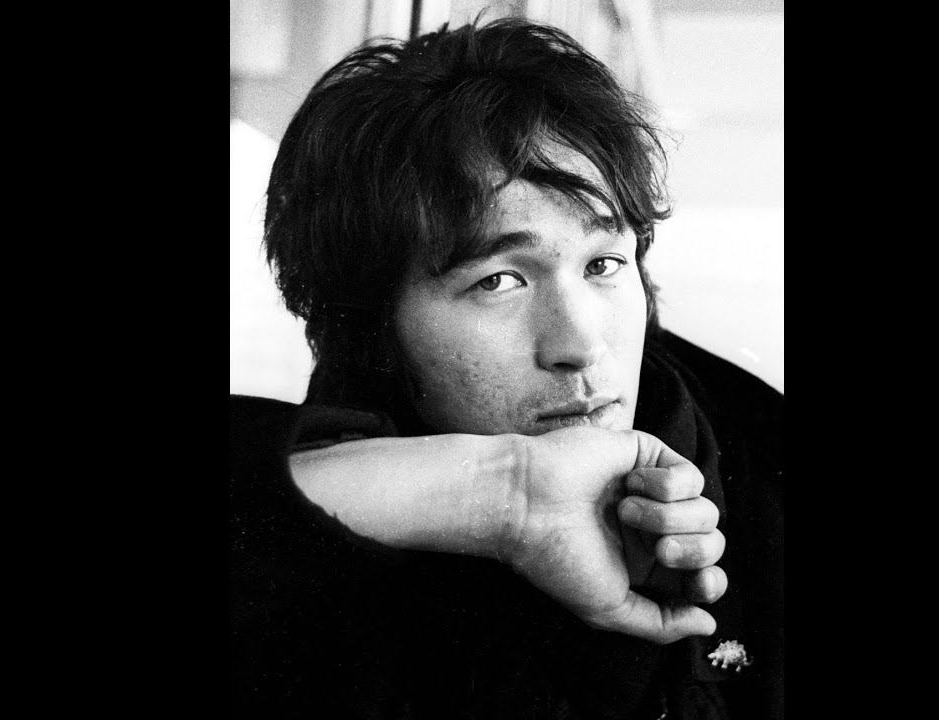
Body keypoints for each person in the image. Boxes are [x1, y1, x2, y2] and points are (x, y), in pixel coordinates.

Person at [230, 17, 784, 720]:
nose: (580, 345)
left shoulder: (763, 465)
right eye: (498, 281)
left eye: (603, 264)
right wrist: (505, 492)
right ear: (370, 327)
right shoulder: (298, 550)